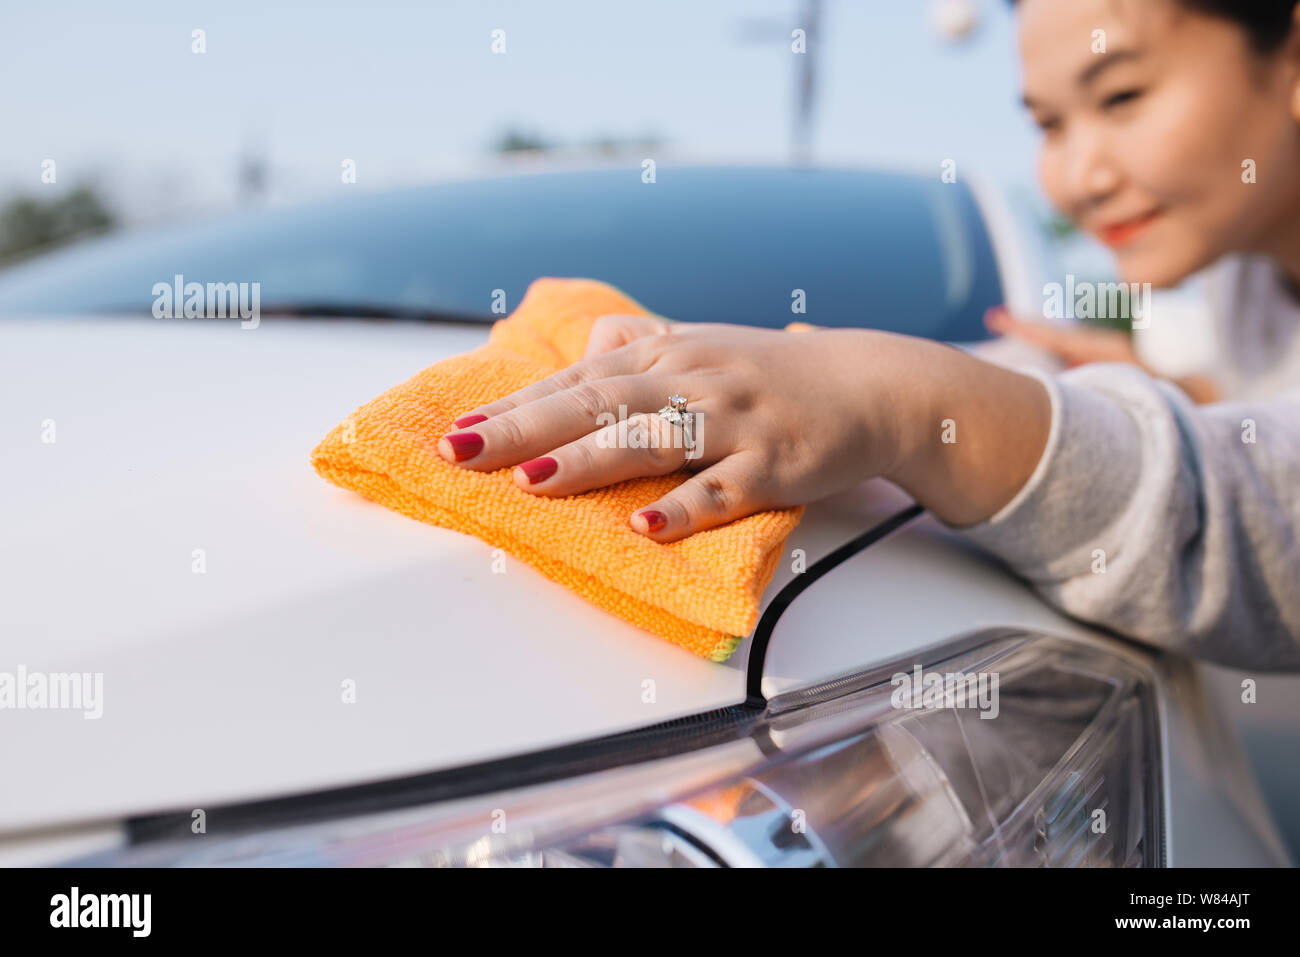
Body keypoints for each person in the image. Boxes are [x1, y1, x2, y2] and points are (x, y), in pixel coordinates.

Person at [439, 0, 1300, 671]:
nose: (1080, 175)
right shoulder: (1241, 291)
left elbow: (1259, 511)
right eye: (1047, 124)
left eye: (1121, 96)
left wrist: (905, 395)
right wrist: (1188, 396)